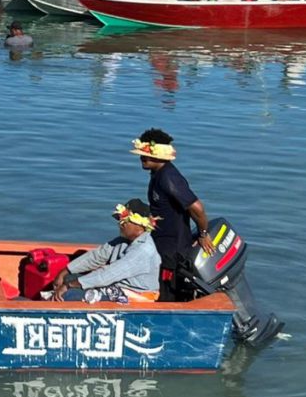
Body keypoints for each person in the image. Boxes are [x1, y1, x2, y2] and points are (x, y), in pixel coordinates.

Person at [130, 129, 214, 302]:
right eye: (141, 155)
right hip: (160, 243)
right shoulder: (157, 174)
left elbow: (197, 208)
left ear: (159, 156)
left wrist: (203, 234)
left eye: (145, 156)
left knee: (166, 292)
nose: (141, 158)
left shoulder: (169, 178)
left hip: (172, 249)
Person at [52, 199, 161, 303]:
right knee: (68, 278)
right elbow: (97, 256)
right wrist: (65, 271)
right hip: (116, 287)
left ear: (139, 226)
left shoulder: (142, 251)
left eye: (125, 221)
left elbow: (107, 275)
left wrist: (69, 286)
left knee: (69, 294)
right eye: (119, 220)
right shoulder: (123, 241)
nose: (120, 224)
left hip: (136, 295)